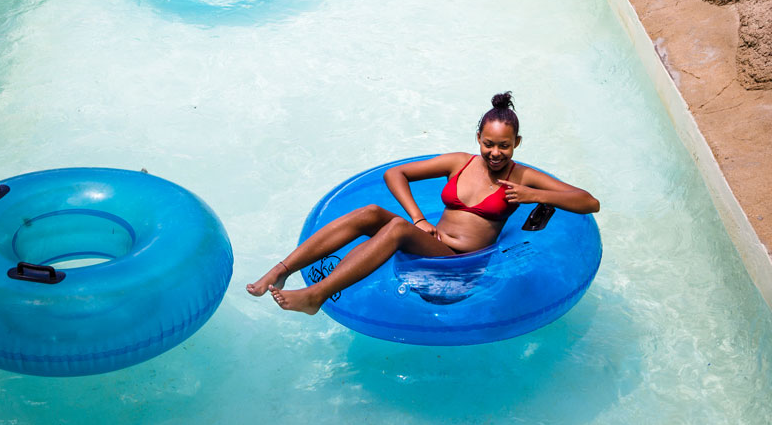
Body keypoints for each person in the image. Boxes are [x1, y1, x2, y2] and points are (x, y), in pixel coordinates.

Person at [245, 92, 600, 315]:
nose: (495, 153)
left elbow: (588, 202)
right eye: (488, 143)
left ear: (516, 143)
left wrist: (535, 195)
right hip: (432, 244)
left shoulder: (523, 177)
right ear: (478, 137)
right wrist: (418, 219)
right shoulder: (458, 162)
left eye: (504, 146)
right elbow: (395, 174)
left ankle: (316, 296)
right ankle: (282, 269)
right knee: (371, 214)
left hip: (460, 267)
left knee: (395, 229)